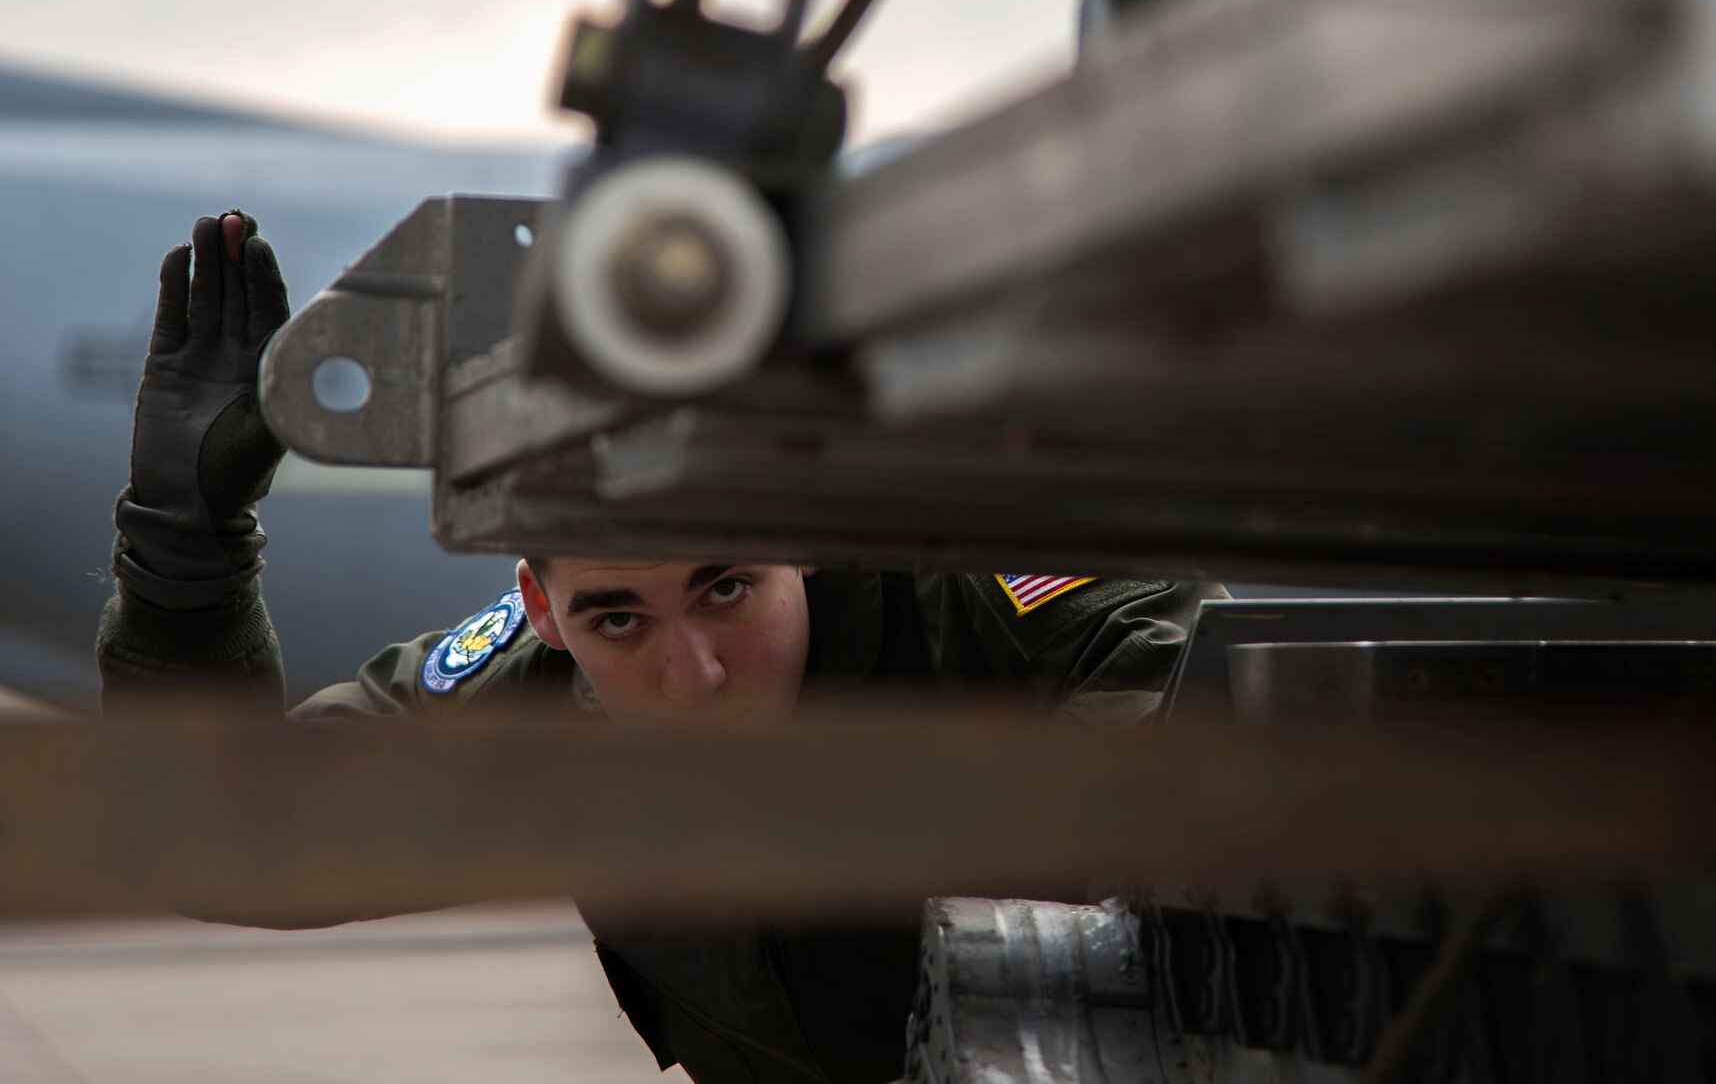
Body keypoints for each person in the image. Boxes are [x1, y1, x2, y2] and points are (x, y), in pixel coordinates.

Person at [97, 211, 1223, 1084]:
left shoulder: (975, 596)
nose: (693, 677)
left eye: (726, 587)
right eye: (618, 620)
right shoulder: (538, 697)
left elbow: (1173, 701)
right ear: (539, 607)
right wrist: (183, 545)